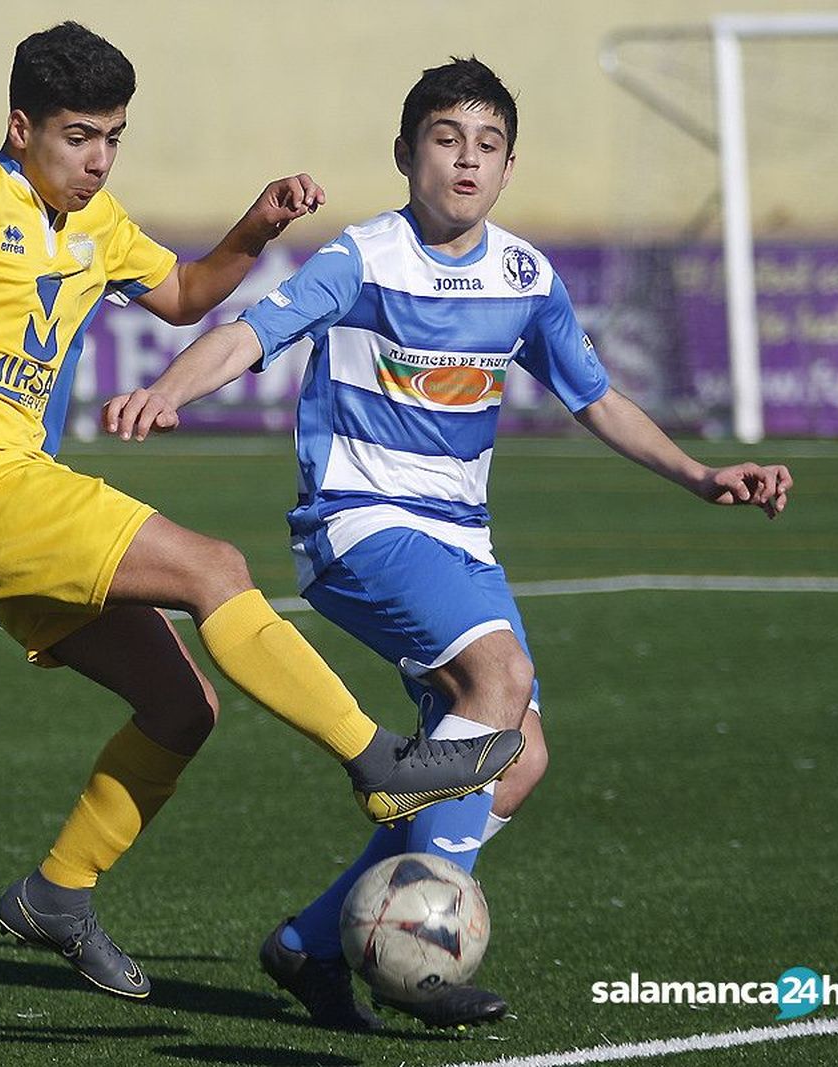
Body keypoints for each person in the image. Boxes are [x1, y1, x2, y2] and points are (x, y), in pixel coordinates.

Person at [0, 24, 523, 1002]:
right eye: (80, 136)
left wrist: (251, 231)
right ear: (21, 126)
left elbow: (181, 295)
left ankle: (57, 891)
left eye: (114, 138)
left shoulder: (98, 222)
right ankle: (378, 760)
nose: (97, 160)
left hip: (15, 503)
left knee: (181, 707)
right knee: (214, 566)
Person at [102, 57, 794, 1028]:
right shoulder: (363, 257)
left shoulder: (525, 276)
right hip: (358, 522)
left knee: (515, 759)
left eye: (487, 144)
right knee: (498, 677)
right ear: (406, 154)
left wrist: (699, 473)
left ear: (508, 167)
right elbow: (251, 332)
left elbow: (595, 395)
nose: (466, 160)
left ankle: (306, 943)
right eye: (445, 139)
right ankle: (418, 951)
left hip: (460, 540)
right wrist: (168, 389)